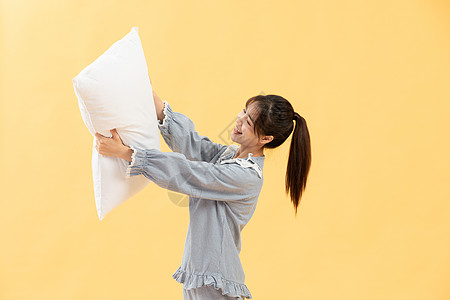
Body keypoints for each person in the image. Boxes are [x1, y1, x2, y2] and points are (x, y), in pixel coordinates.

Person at [94, 88, 312, 300]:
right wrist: (152, 96)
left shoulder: (245, 176)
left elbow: (191, 174)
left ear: (265, 139)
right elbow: (194, 145)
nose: (239, 119)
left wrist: (127, 154)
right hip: (202, 272)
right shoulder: (229, 156)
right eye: (243, 111)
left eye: (248, 122)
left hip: (214, 276)